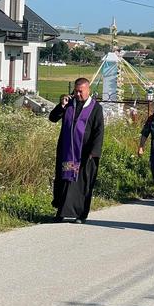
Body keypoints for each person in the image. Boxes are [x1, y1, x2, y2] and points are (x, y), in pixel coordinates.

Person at [49, 77, 104, 223]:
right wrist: (61, 106)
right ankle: (61, 212)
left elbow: (99, 131)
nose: (78, 94)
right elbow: (52, 118)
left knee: (81, 184)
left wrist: (95, 151)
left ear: (88, 90)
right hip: (67, 152)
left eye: (81, 91)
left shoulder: (95, 108)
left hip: (85, 155)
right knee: (65, 181)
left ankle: (81, 214)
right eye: (76, 91)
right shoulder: (68, 104)